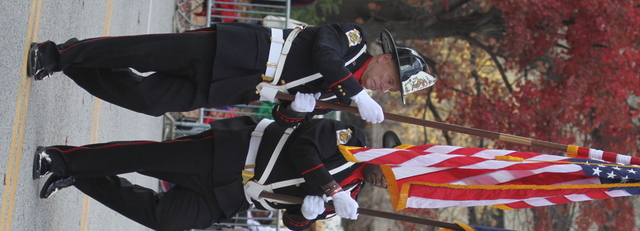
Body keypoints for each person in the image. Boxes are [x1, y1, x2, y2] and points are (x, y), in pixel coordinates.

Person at [32, 117, 390, 231]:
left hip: (236, 195)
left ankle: (80, 173)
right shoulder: (350, 140)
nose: (384, 183)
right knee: (146, 158)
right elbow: (304, 149)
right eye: (389, 173)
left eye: (391, 186)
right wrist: (329, 186)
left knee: (164, 218)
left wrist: (305, 216)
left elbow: (292, 221)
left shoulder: (350, 199)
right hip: (233, 154)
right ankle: (63, 159)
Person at [27, 24, 435, 123]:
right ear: (385, 58)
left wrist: (298, 110)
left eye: (391, 90)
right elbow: (324, 54)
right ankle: (57, 54)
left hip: (238, 85)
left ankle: (73, 61)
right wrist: (355, 93)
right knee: (143, 52)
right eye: (391, 79)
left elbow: (282, 117)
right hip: (236, 49)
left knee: (148, 100)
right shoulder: (353, 40)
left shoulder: (342, 98)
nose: (384, 88)